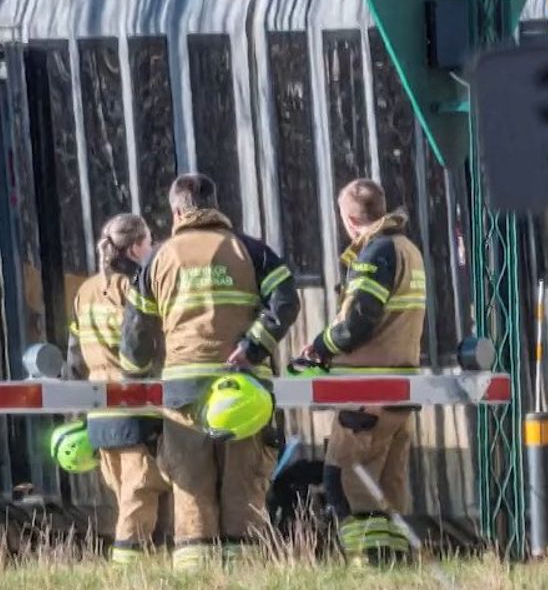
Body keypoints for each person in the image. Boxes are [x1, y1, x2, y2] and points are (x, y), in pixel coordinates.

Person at [122, 173, 300, 570]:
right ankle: (245, 572)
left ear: (175, 211)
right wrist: (252, 347)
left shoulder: (158, 259)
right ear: (217, 204)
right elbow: (286, 301)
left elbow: (136, 331)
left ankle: (196, 570)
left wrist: (136, 376)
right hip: (244, 389)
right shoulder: (252, 251)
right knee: (243, 481)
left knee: (190, 484)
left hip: (182, 389)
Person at [292, 179, 427, 566]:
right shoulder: (408, 250)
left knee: (345, 482)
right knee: (388, 485)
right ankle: (397, 566)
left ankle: (369, 564)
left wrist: (319, 348)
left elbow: (357, 322)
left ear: (350, 219)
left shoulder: (376, 252)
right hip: (400, 387)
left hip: (366, 390)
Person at [65, 213, 167, 565]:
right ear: (137, 246)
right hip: (137, 411)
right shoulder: (137, 287)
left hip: (100, 415)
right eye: (149, 241)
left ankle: (142, 570)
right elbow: (148, 343)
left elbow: (74, 358)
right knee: (140, 498)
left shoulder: (85, 291)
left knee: (126, 497)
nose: (152, 248)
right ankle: (126, 573)